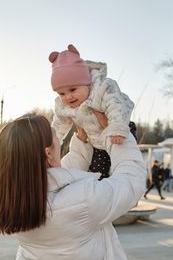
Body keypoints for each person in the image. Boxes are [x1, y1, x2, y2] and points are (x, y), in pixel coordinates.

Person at [0, 113, 146, 260]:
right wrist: (118, 136)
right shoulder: (84, 200)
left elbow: (62, 174)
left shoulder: (18, 200)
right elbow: (132, 182)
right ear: (47, 152)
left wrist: (82, 141)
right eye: (54, 133)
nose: (59, 135)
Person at [49, 44, 134, 179]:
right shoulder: (63, 106)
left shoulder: (102, 88)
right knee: (97, 175)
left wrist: (117, 128)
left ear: (86, 83)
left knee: (122, 168)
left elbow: (116, 106)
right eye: (62, 93)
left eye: (73, 90)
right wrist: (51, 143)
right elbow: (59, 124)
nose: (68, 97)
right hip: (96, 142)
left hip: (118, 128)